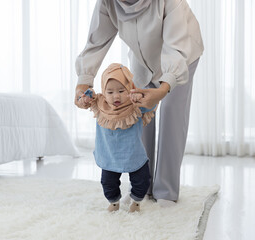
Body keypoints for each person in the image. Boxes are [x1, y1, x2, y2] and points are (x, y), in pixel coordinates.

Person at [74, 0, 203, 207]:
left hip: (180, 55)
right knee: (136, 116)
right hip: (142, 58)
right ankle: (142, 187)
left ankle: (166, 192)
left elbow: (175, 48)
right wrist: (83, 82)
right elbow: (96, 42)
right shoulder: (107, 3)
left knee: (171, 113)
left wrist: (162, 89)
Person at [81, 63, 155, 212]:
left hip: (133, 154)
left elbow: (151, 103)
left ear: (129, 89)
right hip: (109, 155)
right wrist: (84, 98)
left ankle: (136, 202)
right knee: (108, 183)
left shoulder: (135, 105)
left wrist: (140, 96)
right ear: (103, 91)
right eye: (110, 92)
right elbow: (85, 101)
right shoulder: (100, 104)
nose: (116, 96)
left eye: (121, 91)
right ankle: (114, 203)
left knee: (142, 179)